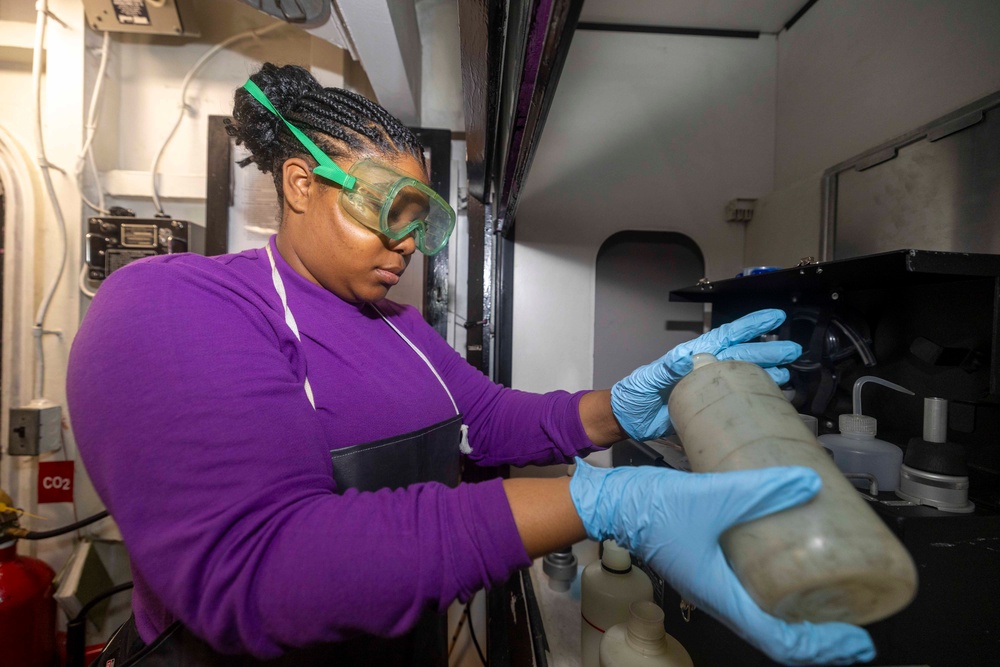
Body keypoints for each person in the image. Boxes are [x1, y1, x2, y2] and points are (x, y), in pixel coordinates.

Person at [67, 63, 875, 666]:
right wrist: (600, 501)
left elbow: (487, 421)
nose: (406, 245)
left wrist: (622, 405)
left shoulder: (400, 328)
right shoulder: (173, 306)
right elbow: (264, 569)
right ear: (302, 183)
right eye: (388, 212)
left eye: (421, 221)